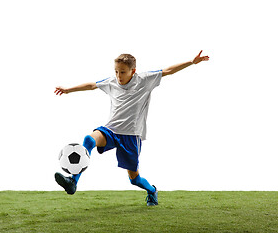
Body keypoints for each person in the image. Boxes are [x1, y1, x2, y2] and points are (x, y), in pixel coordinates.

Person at [54, 51, 209, 206]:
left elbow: (168, 71)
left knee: (134, 180)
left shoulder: (144, 80)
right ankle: (73, 182)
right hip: (111, 130)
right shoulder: (112, 82)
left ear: (133, 71)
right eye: (116, 71)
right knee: (89, 139)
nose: (118, 76)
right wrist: (68, 90)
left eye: (122, 72)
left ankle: (151, 190)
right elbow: (92, 85)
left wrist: (191, 61)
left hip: (131, 136)